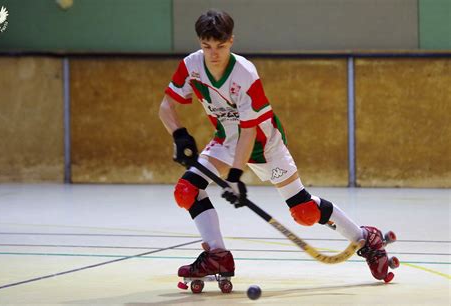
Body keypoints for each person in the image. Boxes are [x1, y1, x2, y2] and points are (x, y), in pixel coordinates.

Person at [159, 9, 396, 283]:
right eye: (206, 46)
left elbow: (249, 131)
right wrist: (179, 135)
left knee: (304, 211)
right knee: (187, 190)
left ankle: (367, 239)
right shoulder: (191, 65)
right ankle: (217, 254)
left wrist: (235, 176)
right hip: (226, 139)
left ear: (231, 41)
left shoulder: (245, 73)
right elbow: (166, 106)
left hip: (264, 144)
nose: (213, 54)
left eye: (220, 46)